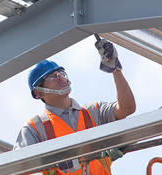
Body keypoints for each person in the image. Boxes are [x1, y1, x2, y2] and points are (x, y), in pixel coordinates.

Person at [14, 39, 136, 175]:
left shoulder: (94, 111)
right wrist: (53, 159)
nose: (61, 78)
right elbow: (18, 168)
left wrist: (115, 69)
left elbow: (127, 108)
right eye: (52, 77)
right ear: (39, 92)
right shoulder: (35, 128)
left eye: (61, 74)